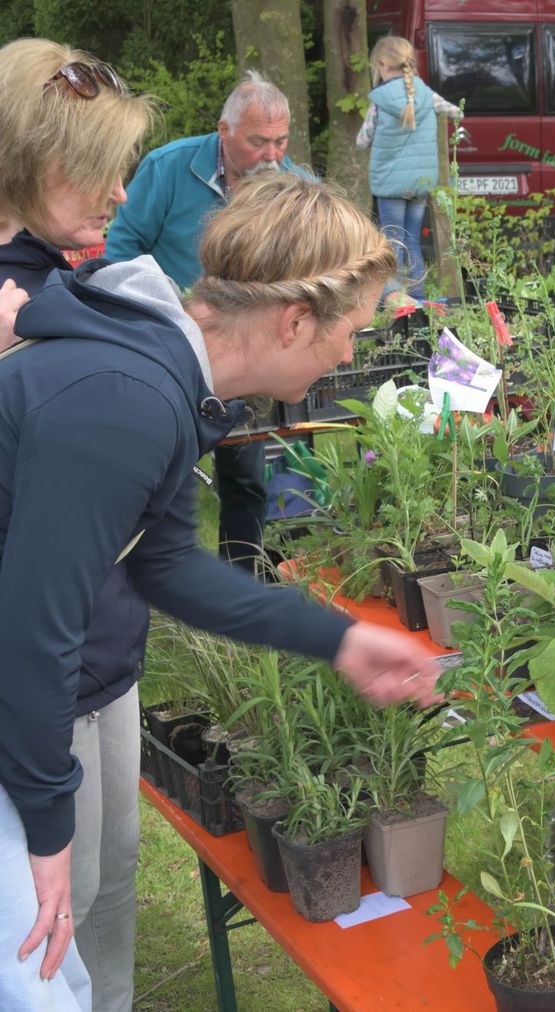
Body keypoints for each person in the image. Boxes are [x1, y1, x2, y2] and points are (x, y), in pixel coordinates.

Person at [1, 169, 443, 1012]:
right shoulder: (127, 399)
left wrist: (341, 640)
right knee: (33, 976)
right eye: (348, 329)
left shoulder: (164, 377)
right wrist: (47, 834)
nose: (350, 354)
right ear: (293, 319)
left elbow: (166, 566)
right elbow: (32, 630)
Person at [0, 38, 154, 1012]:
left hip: (107, 640)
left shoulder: (61, 280)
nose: (120, 193)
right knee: (51, 916)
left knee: (114, 878)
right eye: (97, 169)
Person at [106, 71, 307, 572]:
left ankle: (241, 578)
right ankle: (141, 572)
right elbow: (121, 248)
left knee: (244, 471)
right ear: (224, 130)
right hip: (169, 341)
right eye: (258, 141)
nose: (272, 155)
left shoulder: (293, 184)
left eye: (280, 141)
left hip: (244, 352)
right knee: (157, 470)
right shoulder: (169, 168)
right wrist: (167, 303)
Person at [356, 35, 461, 301]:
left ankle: (394, 302)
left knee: (392, 243)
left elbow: (362, 140)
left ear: (381, 64)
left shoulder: (380, 100)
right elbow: (455, 112)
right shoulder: (425, 93)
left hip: (390, 185)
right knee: (412, 240)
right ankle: (420, 299)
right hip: (420, 182)